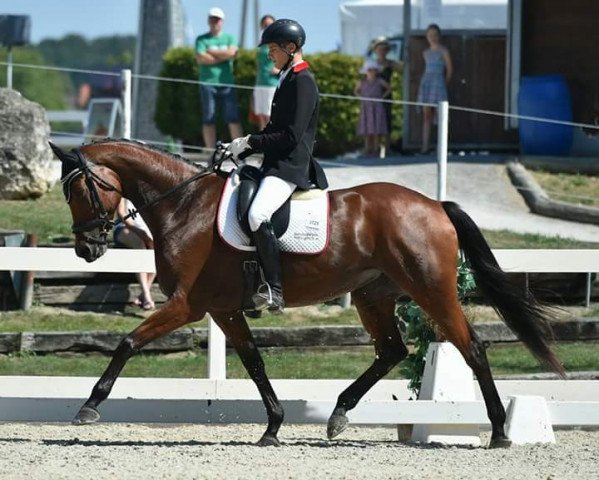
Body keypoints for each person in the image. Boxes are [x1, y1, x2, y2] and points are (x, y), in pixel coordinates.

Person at [227, 19, 329, 314]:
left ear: (291, 48)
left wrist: (251, 142)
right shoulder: (287, 77)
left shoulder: (304, 81)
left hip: (290, 166)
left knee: (258, 215)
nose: (269, 54)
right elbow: (275, 127)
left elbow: (291, 135)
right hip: (275, 161)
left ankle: (274, 289)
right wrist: (245, 146)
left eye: (273, 49)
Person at [195, 7, 243, 149]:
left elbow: (232, 53)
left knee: (233, 118)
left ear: (222, 21)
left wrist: (212, 52)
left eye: (217, 19)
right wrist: (223, 56)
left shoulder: (230, 37)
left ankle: (240, 151)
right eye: (212, 19)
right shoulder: (201, 39)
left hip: (227, 83)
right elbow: (201, 58)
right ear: (208, 21)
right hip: (207, 83)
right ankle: (211, 153)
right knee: (208, 118)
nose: (214, 22)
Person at [113, 198, 156, 311]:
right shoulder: (123, 193)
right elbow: (121, 214)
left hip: (144, 228)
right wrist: (139, 232)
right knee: (140, 243)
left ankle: (143, 293)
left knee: (157, 247)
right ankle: (147, 296)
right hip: (124, 228)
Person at [416, 24, 453, 154]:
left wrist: (443, 83)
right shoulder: (425, 53)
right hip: (427, 82)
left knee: (441, 115)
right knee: (427, 115)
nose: (433, 37)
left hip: (438, 82)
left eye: (435, 35)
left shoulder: (444, 51)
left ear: (439, 36)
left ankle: (441, 146)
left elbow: (449, 70)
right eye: (430, 35)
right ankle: (425, 146)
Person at [371, 37, 403, 153]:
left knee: (387, 120)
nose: (382, 51)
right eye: (379, 48)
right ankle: (376, 149)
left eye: (384, 49)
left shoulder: (390, 63)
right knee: (375, 121)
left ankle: (388, 149)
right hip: (374, 96)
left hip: (386, 95)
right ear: (375, 50)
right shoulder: (372, 64)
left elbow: (403, 68)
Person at [354, 59, 391, 157]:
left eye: (373, 70)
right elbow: (356, 91)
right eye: (369, 70)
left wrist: (382, 97)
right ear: (366, 71)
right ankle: (367, 150)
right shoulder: (362, 82)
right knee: (367, 130)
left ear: (376, 71)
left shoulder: (379, 81)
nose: (371, 72)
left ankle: (376, 149)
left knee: (376, 130)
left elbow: (389, 88)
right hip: (367, 108)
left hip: (377, 107)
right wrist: (361, 98)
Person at [253, 14, 280, 130]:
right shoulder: (262, 44)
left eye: (269, 25)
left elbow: (289, 60)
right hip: (260, 84)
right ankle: (263, 144)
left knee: (270, 115)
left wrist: (278, 70)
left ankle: (272, 144)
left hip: (271, 84)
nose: (267, 27)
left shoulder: (279, 42)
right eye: (264, 25)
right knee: (261, 115)